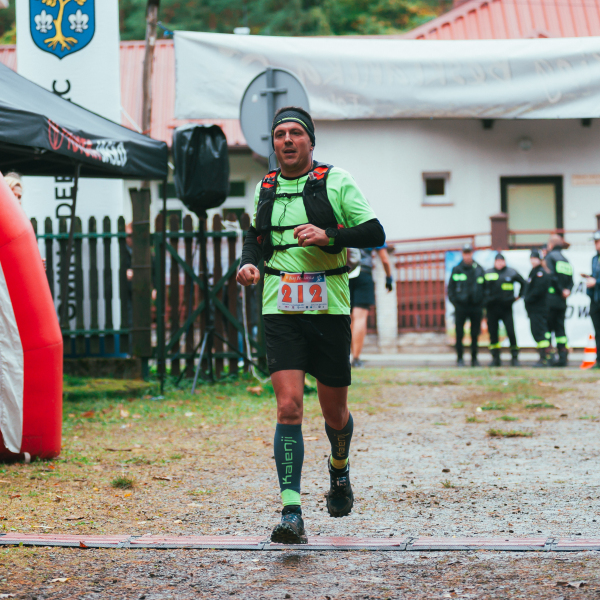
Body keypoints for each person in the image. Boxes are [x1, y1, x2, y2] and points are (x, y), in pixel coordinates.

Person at [236, 106, 385, 544]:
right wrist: (248, 264)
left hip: (328, 309)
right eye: (280, 133)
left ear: (310, 141)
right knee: (288, 407)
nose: (287, 140)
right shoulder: (265, 186)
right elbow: (254, 236)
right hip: (279, 308)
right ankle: (291, 512)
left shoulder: (336, 181)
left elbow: (375, 232)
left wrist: (329, 235)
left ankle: (339, 469)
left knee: (334, 412)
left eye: (295, 133)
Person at [349, 246, 393, 367]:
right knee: (360, 317)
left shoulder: (345, 231)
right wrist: (389, 278)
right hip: (364, 274)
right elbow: (385, 259)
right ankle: (356, 358)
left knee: (349, 318)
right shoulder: (372, 233)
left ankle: (348, 355)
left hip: (345, 274)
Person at [483, 253, 526, 367]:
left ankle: (514, 357)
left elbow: (523, 283)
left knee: (511, 332)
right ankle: (495, 358)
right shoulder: (488, 273)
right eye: (497, 261)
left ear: (504, 262)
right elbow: (481, 288)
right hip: (492, 308)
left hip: (506, 308)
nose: (500, 263)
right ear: (494, 262)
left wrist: (518, 296)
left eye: (501, 261)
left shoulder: (511, 272)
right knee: (493, 333)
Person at [447, 243, 485, 367]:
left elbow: (485, 288)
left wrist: (481, 303)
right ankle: (460, 359)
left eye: (469, 253)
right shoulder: (456, 269)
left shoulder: (479, 269)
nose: (467, 256)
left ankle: (474, 359)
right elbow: (450, 289)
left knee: (475, 334)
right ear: (462, 254)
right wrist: (456, 303)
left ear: (472, 253)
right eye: (465, 253)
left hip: (476, 307)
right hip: (461, 307)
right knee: (459, 334)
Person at [545, 234, 574, 367]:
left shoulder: (549, 258)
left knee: (548, 330)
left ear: (551, 245)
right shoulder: (566, 260)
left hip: (551, 300)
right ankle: (563, 357)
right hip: (562, 302)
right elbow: (571, 280)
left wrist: (560, 290)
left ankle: (549, 358)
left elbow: (551, 277)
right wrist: (567, 290)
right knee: (560, 330)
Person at [524, 249, 551, 367]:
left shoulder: (541, 273)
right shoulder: (533, 272)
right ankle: (544, 356)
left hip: (538, 309)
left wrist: (528, 298)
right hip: (533, 309)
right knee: (537, 332)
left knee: (540, 333)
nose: (533, 261)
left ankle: (544, 358)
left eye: (535, 258)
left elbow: (538, 291)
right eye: (531, 258)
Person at [586, 230, 600, 367]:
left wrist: (596, 282)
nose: (596, 245)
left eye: (597, 241)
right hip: (596, 300)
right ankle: (599, 360)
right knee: (598, 331)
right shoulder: (594, 259)